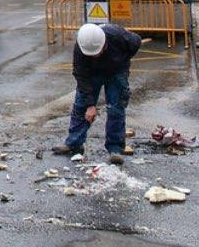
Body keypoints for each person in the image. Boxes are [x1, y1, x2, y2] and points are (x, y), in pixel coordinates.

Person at [53, 22, 142, 164]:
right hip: (92, 73)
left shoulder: (118, 36)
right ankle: (74, 143)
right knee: (81, 105)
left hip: (117, 71)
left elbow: (136, 43)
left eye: (98, 52)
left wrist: (123, 64)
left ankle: (115, 148)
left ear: (105, 42)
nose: (96, 55)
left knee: (116, 108)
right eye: (92, 54)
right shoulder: (81, 47)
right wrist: (90, 105)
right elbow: (80, 74)